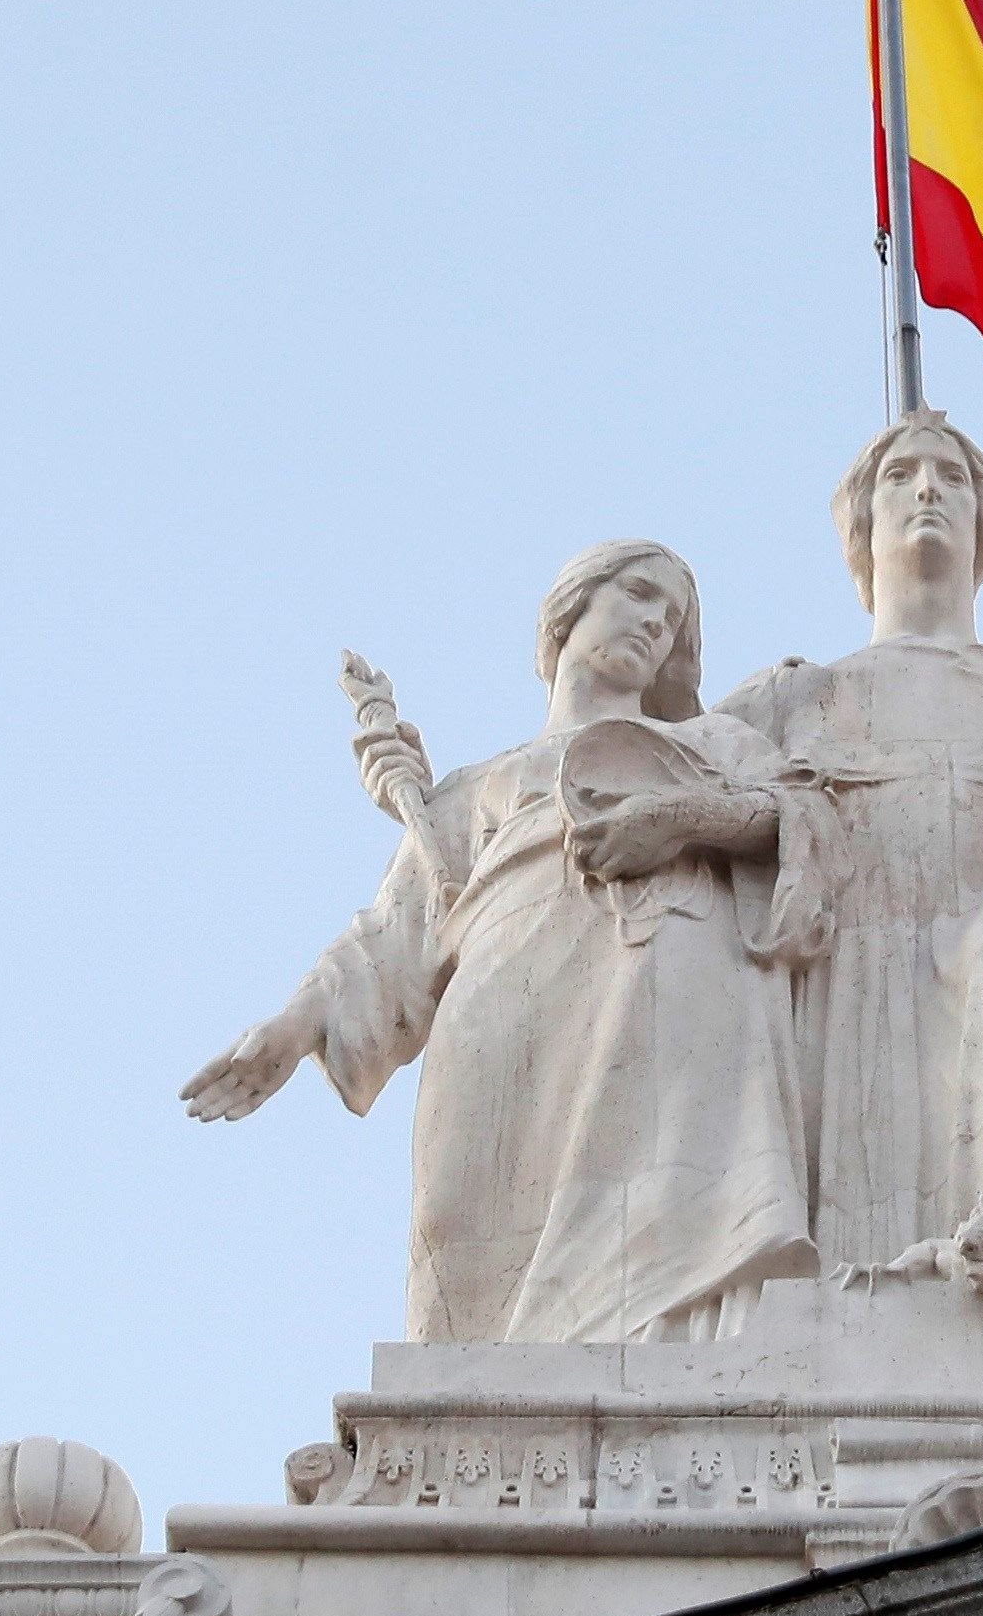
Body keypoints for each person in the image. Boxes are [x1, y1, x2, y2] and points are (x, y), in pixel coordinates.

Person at [182, 541, 813, 1346]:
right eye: (638, 593)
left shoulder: (713, 747)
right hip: (499, 1012)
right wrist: (296, 1023)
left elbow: (799, 821)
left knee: (657, 1241)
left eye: (673, 617)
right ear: (569, 609)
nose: (655, 621)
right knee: (460, 1229)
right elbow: (394, 932)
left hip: (658, 992)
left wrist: (680, 820)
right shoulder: (479, 788)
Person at [718, 416, 983, 1270]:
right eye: (901, 475)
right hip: (850, 967)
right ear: (861, 528)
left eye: (952, 477)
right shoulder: (795, 698)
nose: (928, 488)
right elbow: (674, 772)